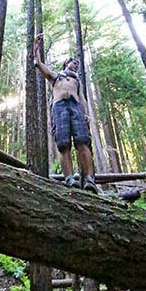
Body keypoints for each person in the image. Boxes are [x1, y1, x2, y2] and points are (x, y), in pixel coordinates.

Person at [32, 35, 97, 192]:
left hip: (75, 108)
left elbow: (81, 98)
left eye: (76, 65)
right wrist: (36, 47)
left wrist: (86, 113)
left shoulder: (76, 81)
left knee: (82, 141)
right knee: (63, 144)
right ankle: (69, 179)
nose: (75, 66)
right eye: (73, 63)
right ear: (66, 64)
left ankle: (89, 179)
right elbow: (38, 64)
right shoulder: (56, 76)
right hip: (59, 107)